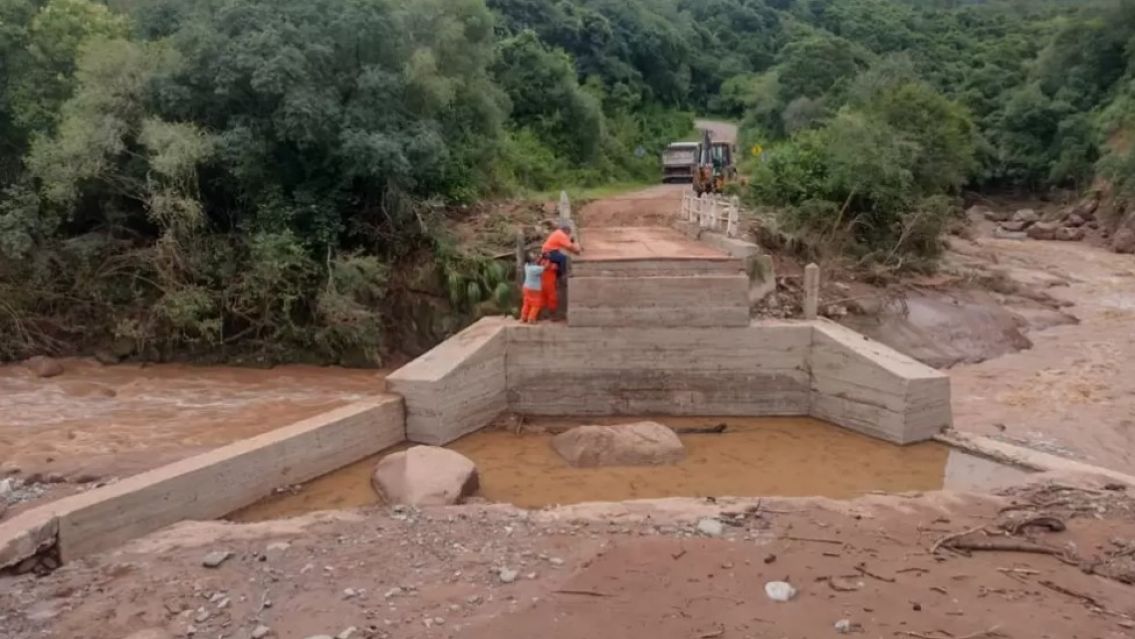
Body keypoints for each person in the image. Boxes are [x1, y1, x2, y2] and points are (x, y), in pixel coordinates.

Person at [519, 253, 544, 323]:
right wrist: (546, 260)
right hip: (534, 289)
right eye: (533, 256)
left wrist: (539, 258)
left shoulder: (526, 266)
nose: (536, 256)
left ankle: (523, 317)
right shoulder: (536, 269)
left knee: (526, 303)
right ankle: (531, 318)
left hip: (526, 287)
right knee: (536, 304)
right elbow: (545, 267)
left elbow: (535, 263)